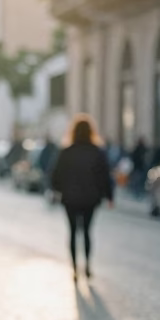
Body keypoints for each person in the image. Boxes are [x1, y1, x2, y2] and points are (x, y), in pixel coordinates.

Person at [50, 114, 113, 280]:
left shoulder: (66, 151)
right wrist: (109, 196)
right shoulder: (97, 152)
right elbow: (105, 176)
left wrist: (56, 191)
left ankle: (74, 268)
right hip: (90, 198)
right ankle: (87, 266)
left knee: (72, 232)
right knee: (86, 231)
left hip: (70, 198)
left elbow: (56, 174)